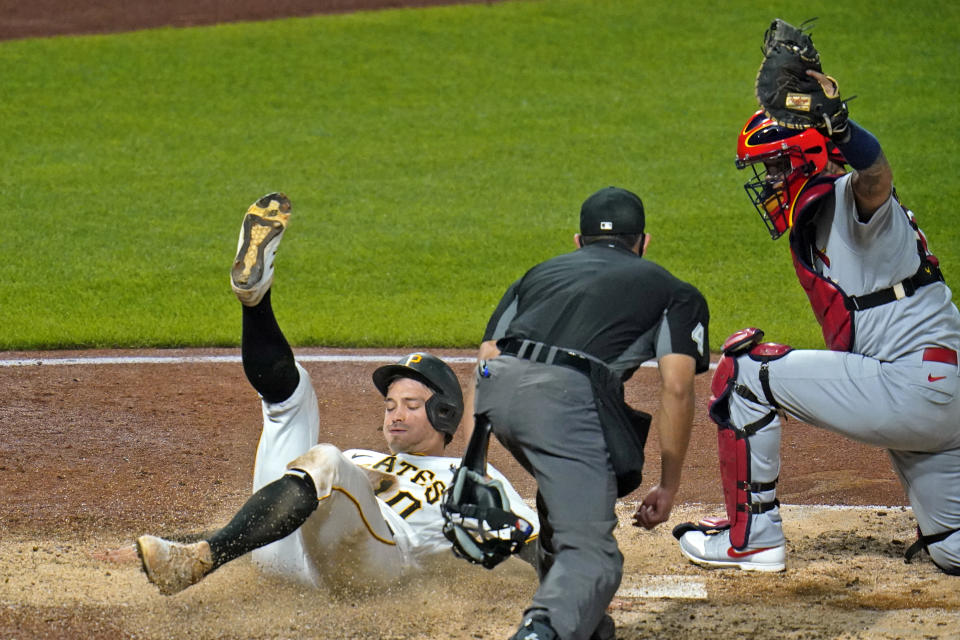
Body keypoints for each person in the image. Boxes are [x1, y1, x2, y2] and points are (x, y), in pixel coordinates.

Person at [129, 193, 539, 595]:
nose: (394, 414)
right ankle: (255, 302)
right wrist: (158, 544)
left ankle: (201, 561)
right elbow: (274, 512)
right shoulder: (361, 458)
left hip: (374, 569)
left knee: (325, 459)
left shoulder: (474, 478)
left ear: (445, 414)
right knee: (293, 401)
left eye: (412, 405)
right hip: (291, 559)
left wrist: (583, 584)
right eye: (390, 404)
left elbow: (532, 540)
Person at [673, 71, 960, 575]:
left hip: (915, 387)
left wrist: (843, 131)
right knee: (951, 546)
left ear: (805, 159)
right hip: (938, 398)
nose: (769, 181)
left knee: (745, 375)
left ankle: (753, 542)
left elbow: (877, 176)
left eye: (775, 166)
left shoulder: (855, 199)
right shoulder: (826, 211)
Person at [472, 186, 711, 640]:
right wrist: (668, 483)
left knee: (566, 494)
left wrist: (470, 468)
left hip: (499, 394)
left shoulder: (537, 275)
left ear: (578, 241)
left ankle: (584, 623)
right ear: (644, 242)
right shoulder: (674, 291)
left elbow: (486, 357)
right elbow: (677, 387)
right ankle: (544, 629)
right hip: (564, 403)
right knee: (594, 556)